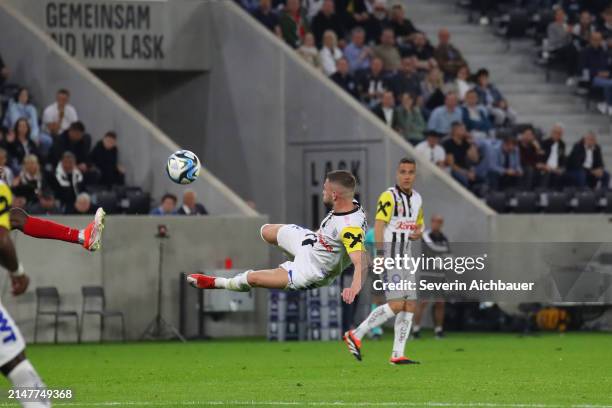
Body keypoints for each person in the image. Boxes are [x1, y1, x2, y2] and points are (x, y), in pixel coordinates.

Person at [187, 170, 367, 308]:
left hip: (312, 270)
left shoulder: (349, 227)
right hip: (312, 243)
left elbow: (360, 262)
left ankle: (217, 283)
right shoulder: (350, 205)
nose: (323, 192)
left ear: (335, 195)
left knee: (253, 279)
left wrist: (354, 288)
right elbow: (335, 233)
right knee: (266, 231)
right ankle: (291, 256)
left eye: (325, 190)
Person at [343, 158, 423, 365]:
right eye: (403, 171)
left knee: (409, 305)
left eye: (411, 172)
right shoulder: (389, 196)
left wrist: (417, 234)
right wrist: (380, 255)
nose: (407, 176)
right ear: (397, 174)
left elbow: (418, 227)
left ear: (415, 175)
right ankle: (356, 334)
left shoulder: (417, 199)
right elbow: (379, 225)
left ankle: (397, 354)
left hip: (406, 257)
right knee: (396, 304)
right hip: (390, 256)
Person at [412, 214, 449, 339]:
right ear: (431, 222)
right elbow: (434, 248)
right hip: (427, 274)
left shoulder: (444, 238)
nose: (437, 224)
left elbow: (447, 254)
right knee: (423, 302)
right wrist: (442, 251)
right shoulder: (426, 235)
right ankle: (415, 330)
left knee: (440, 303)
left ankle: (439, 330)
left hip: (440, 275)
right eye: (435, 221)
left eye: (439, 222)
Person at [443, 122, 477, 188]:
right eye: (462, 129)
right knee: (465, 181)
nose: (465, 131)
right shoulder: (448, 143)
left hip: (465, 169)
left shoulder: (465, 142)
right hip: (453, 170)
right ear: (455, 131)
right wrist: (466, 173)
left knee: (480, 179)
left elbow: (474, 159)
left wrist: (471, 143)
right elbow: (451, 164)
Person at [537, 124, 566, 190]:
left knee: (561, 174)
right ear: (551, 133)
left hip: (556, 167)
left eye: (559, 133)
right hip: (545, 166)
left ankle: (557, 194)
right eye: (555, 132)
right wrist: (545, 166)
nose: (557, 135)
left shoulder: (562, 144)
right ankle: (543, 191)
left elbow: (562, 158)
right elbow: (539, 158)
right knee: (547, 173)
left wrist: (561, 168)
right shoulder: (544, 143)